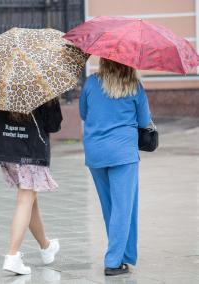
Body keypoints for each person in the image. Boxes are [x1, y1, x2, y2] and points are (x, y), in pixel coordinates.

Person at [79, 58, 152, 276]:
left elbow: (84, 113)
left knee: (110, 207)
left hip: (96, 153)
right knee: (124, 208)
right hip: (123, 154)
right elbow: (144, 121)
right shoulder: (134, 86)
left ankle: (123, 255)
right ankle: (113, 261)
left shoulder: (91, 83)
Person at [0, 99, 63, 275]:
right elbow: (53, 125)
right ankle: (12, 256)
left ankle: (46, 246)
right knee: (25, 201)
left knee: (29, 201)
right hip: (30, 152)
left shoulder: (1, 83)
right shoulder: (42, 87)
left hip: (8, 149)